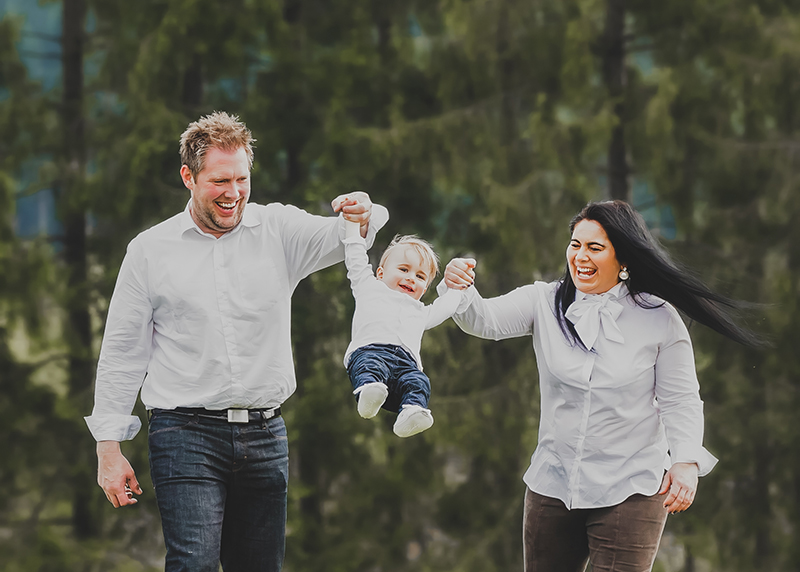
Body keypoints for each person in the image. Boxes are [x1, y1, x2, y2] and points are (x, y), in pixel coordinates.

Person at [84, 111, 388, 572]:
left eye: (242, 179)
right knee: (194, 564)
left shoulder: (279, 230)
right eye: (220, 180)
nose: (234, 193)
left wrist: (362, 212)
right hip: (184, 434)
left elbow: (350, 235)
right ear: (189, 176)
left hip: (267, 435)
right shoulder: (149, 250)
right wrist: (109, 448)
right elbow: (123, 353)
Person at [442, 200, 762, 572]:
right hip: (554, 485)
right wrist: (459, 290)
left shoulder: (660, 319)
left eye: (595, 248)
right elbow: (484, 321)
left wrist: (686, 462)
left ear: (622, 258)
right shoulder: (544, 302)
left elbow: (681, 399)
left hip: (631, 488)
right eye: (575, 244)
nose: (581, 256)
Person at [340, 221, 464, 437]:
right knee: (371, 366)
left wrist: (460, 287)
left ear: (424, 289)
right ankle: (368, 391)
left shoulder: (421, 311)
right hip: (370, 351)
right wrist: (352, 226)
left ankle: (411, 413)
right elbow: (355, 259)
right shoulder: (368, 287)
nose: (410, 278)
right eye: (404, 269)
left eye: (420, 276)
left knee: (419, 381)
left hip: (406, 366)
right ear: (380, 273)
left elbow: (445, 307)